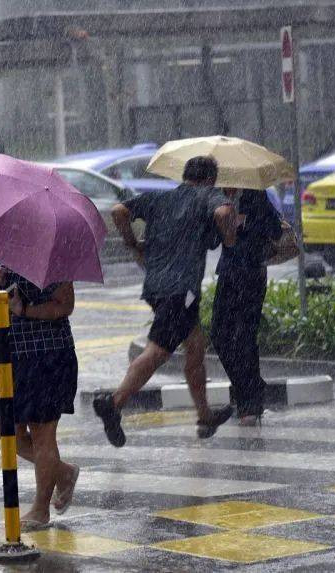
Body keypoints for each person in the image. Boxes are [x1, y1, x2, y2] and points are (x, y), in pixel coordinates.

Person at [93, 156, 238, 447]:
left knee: (195, 346)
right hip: (181, 291)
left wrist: (133, 244)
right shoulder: (209, 195)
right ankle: (114, 403)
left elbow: (119, 210)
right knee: (157, 352)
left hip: (157, 286)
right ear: (210, 178)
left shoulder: (161, 198)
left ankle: (204, 415)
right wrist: (230, 234)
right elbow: (223, 215)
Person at [0, 258, 80, 530]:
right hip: (13, 358)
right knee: (7, 431)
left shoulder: (52, 257)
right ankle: (63, 472)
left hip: (49, 355)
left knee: (43, 434)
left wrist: (25, 310)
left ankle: (41, 510)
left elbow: (65, 305)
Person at [211, 188, 285, 426]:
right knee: (219, 335)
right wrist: (223, 223)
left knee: (245, 337)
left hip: (252, 273)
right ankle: (250, 388)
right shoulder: (219, 200)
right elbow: (212, 240)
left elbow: (275, 230)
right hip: (229, 275)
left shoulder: (256, 196)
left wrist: (248, 222)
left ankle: (248, 402)